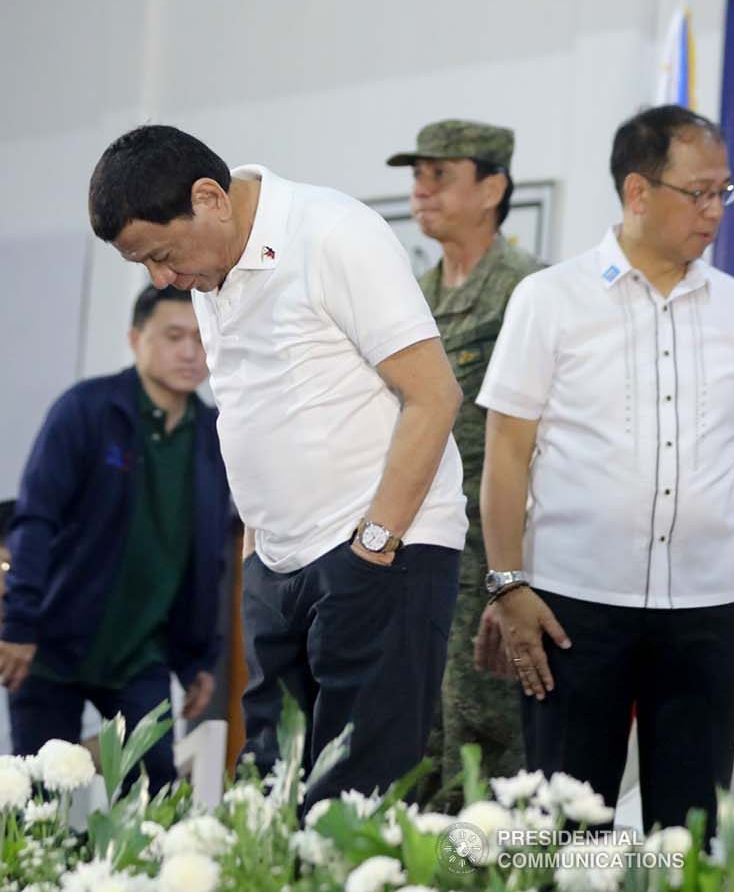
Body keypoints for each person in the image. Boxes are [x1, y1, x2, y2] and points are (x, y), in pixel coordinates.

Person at [88, 124, 467, 808]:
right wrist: (257, 559)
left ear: (210, 197)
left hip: (377, 553)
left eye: (164, 254)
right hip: (278, 566)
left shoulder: (331, 234)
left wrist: (374, 545)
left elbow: (435, 394)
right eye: (143, 266)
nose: (163, 279)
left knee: (355, 803)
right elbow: (253, 417)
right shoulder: (209, 276)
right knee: (265, 794)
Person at [475, 105, 734, 835]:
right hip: (574, 606)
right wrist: (507, 582)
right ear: (638, 192)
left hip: (708, 607)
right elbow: (506, 451)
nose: (712, 212)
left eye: (721, 193)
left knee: (690, 831)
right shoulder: (551, 299)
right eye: (696, 192)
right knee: (567, 827)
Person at [0, 285, 230, 794]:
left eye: (201, 338)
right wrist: (20, 623)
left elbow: (210, 557)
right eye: (174, 336)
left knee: (154, 786)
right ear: (135, 338)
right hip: (50, 642)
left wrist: (199, 658)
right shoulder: (86, 410)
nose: (190, 352)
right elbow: (36, 519)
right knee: (35, 793)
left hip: (141, 652)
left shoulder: (215, 434)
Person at [386, 119, 542, 808]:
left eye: (440, 175)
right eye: (417, 176)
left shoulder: (529, 291)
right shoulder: (407, 295)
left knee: (487, 745)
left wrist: (519, 573)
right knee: (411, 737)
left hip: (492, 558)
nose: (422, 191)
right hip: (414, 548)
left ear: (493, 189)